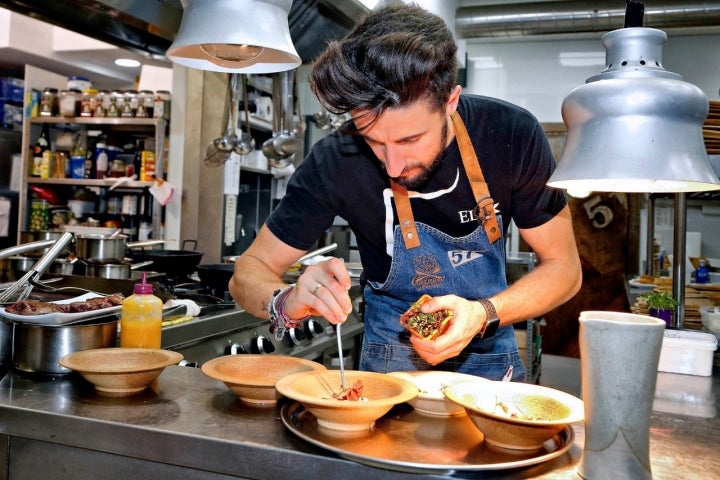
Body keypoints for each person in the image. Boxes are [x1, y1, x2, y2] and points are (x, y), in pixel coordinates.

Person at [228, 4, 582, 381]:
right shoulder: (337, 159)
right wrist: (285, 300)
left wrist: (482, 313)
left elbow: (565, 269)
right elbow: (247, 273)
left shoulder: (510, 135)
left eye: (410, 139)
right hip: (389, 372)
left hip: (489, 366)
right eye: (374, 142)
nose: (393, 165)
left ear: (450, 101)